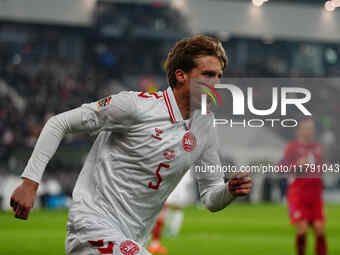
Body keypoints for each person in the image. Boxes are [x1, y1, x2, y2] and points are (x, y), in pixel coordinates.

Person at [10, 35, 252, 255]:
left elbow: (211, 197)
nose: (216, 83)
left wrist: (229, 190)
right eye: (208, 74)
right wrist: (30, 183)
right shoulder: (134, 107)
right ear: (181, 75)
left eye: (219, 76)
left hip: (132, 239)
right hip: (92, 228)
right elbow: (58, 123)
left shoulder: (205, 126)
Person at [280, 118, 327, 255]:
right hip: (298, 194)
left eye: (311, 128)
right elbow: (280, 167)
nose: (309, 131)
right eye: (306, 128)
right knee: (302, 228)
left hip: (315, 194)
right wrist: (296, 166)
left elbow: (323, 167)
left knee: (320, 228)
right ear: (299, 130)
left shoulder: (318, 147)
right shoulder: (292, 147)